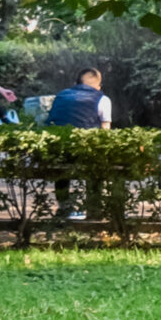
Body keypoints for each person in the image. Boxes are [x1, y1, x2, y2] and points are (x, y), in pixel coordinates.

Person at [44, 67, 112, 218]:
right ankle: (94, 208)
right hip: (84, 152)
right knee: (97, 162)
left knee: (62, 164)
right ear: (99, 86)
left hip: (55, 151)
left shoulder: (61, 96)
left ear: (75, 83)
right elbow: (105, 132)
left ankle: (64, 207)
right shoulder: (102, 99)